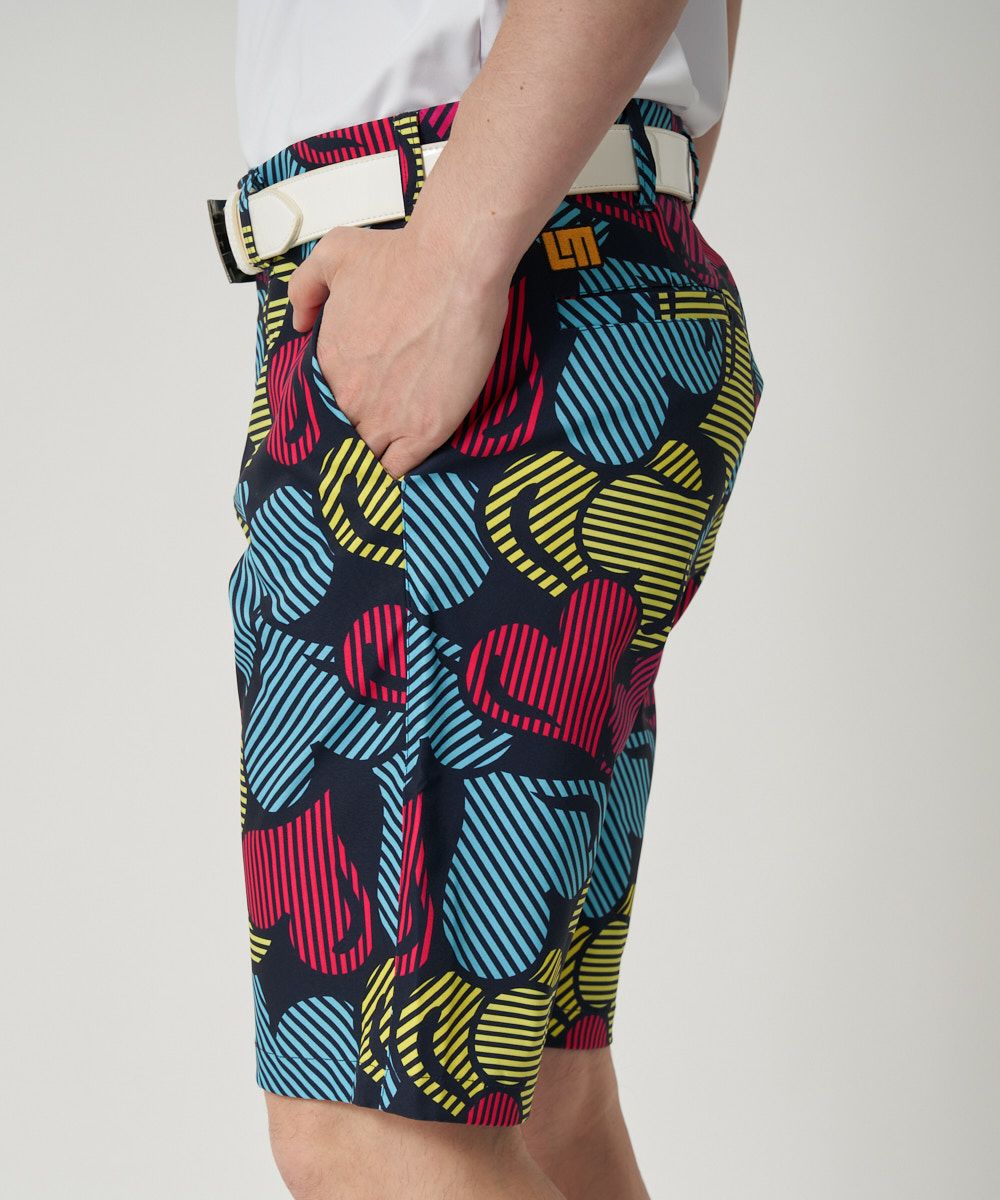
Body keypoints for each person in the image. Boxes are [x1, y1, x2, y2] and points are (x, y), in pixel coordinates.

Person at [213, 2, 761, 1197]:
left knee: (374, 1125)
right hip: (560, 258)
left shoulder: (466, 262)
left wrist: (461, 250)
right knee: (546, 1097)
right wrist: (613, 199)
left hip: (480, 277)